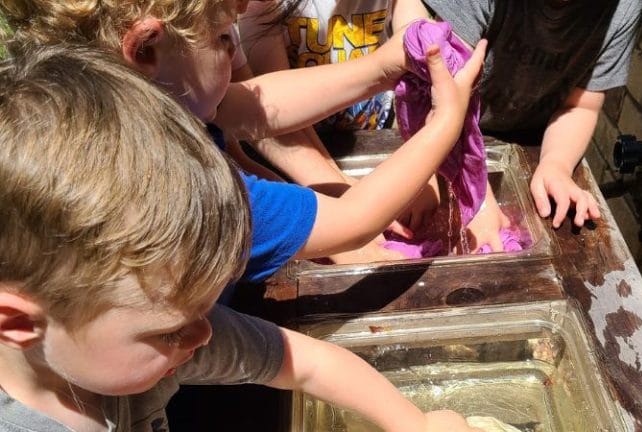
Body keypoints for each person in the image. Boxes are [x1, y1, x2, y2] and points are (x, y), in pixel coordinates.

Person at [0, 43, 482, 432]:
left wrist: (414, 422)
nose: (205, 332)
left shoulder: (153, 337)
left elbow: (307, 362)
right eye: (171, 327)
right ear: (18, 323)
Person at [0, 0, 485, 282]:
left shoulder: (144, 103)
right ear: (145, 47)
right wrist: (443, 125)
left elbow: (253, 103)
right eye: (223, 39)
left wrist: (384, 65)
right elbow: (351, 224)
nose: (236, 54)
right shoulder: (165, 180)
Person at [239, 0, 514, 252]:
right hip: (299, 167)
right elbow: (270, 120)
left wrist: (432, 177)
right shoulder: (262, 5)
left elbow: (424, 76)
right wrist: (346, 197)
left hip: (376, 139)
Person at [412, 0, 642, 229]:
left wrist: (557, 164)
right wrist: (474, 197)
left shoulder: (624, 8)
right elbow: (443, 96)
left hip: (527, 139)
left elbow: (579, 106)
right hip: (440, 124)